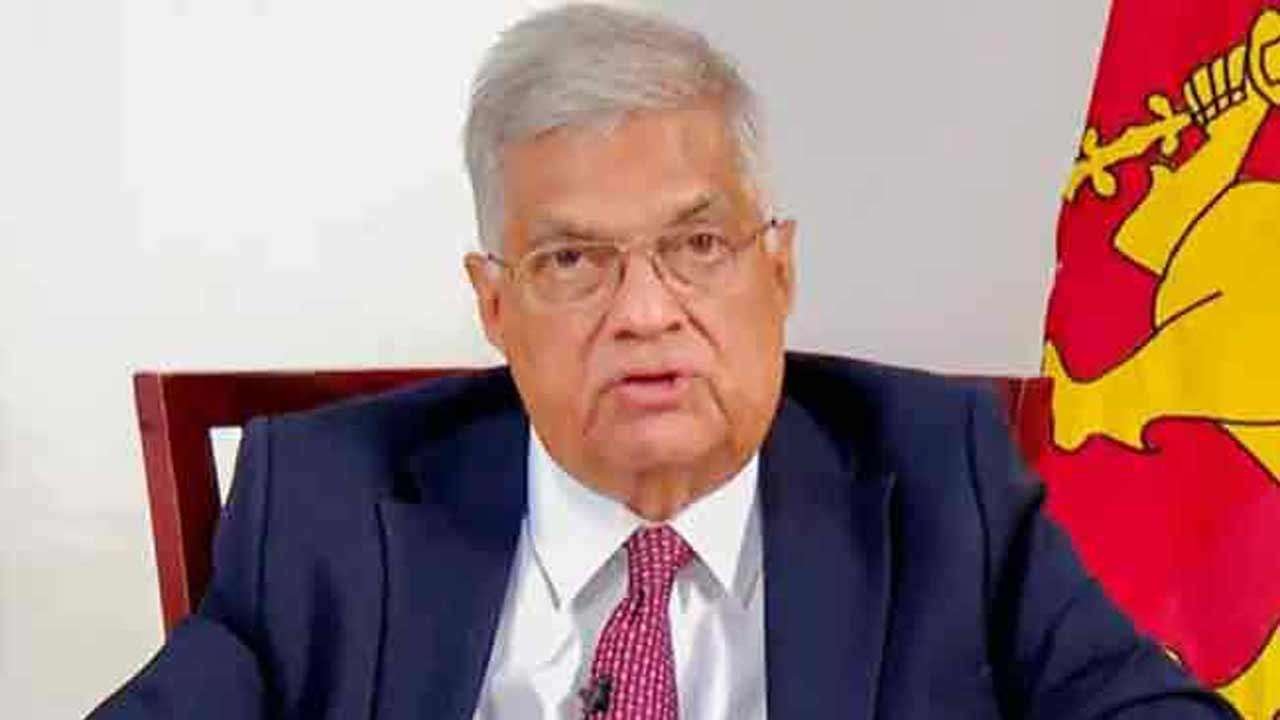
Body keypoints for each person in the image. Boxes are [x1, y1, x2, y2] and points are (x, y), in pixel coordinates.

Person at [93, 4, 1236, 719]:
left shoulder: (943, 477)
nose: (644, 313)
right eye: (572, 261)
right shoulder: (324, 504)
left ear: (777, 270)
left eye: (696, 247)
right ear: (493, 304)